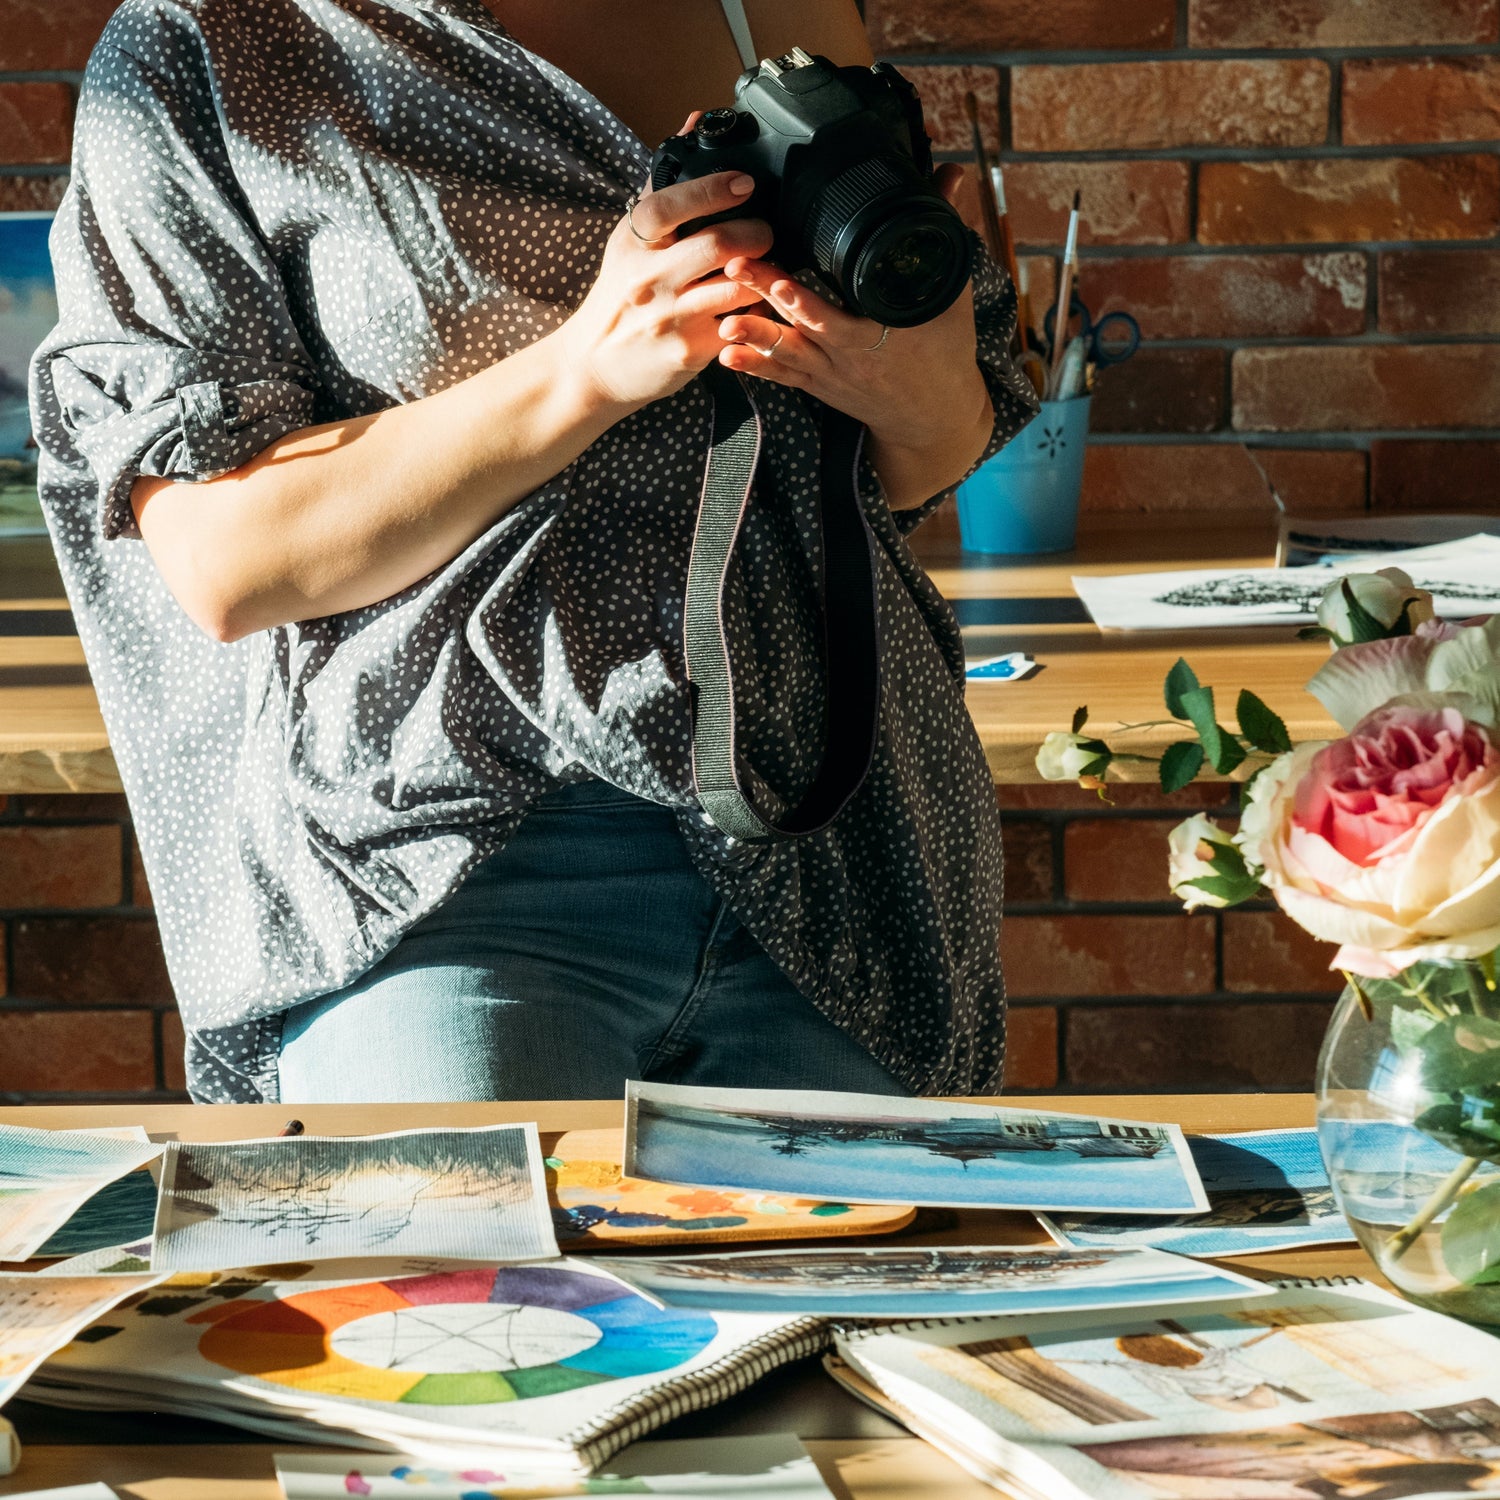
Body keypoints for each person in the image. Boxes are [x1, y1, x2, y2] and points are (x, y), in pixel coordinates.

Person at [30, 0, 1037, 1105]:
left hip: (840, 844)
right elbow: (228, 557)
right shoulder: (214, 43)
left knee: (865, 1281)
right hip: (454, 877)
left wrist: (925, 396)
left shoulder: (773, 12)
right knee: (482, 1278)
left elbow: (900, 471)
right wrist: (582, 374)